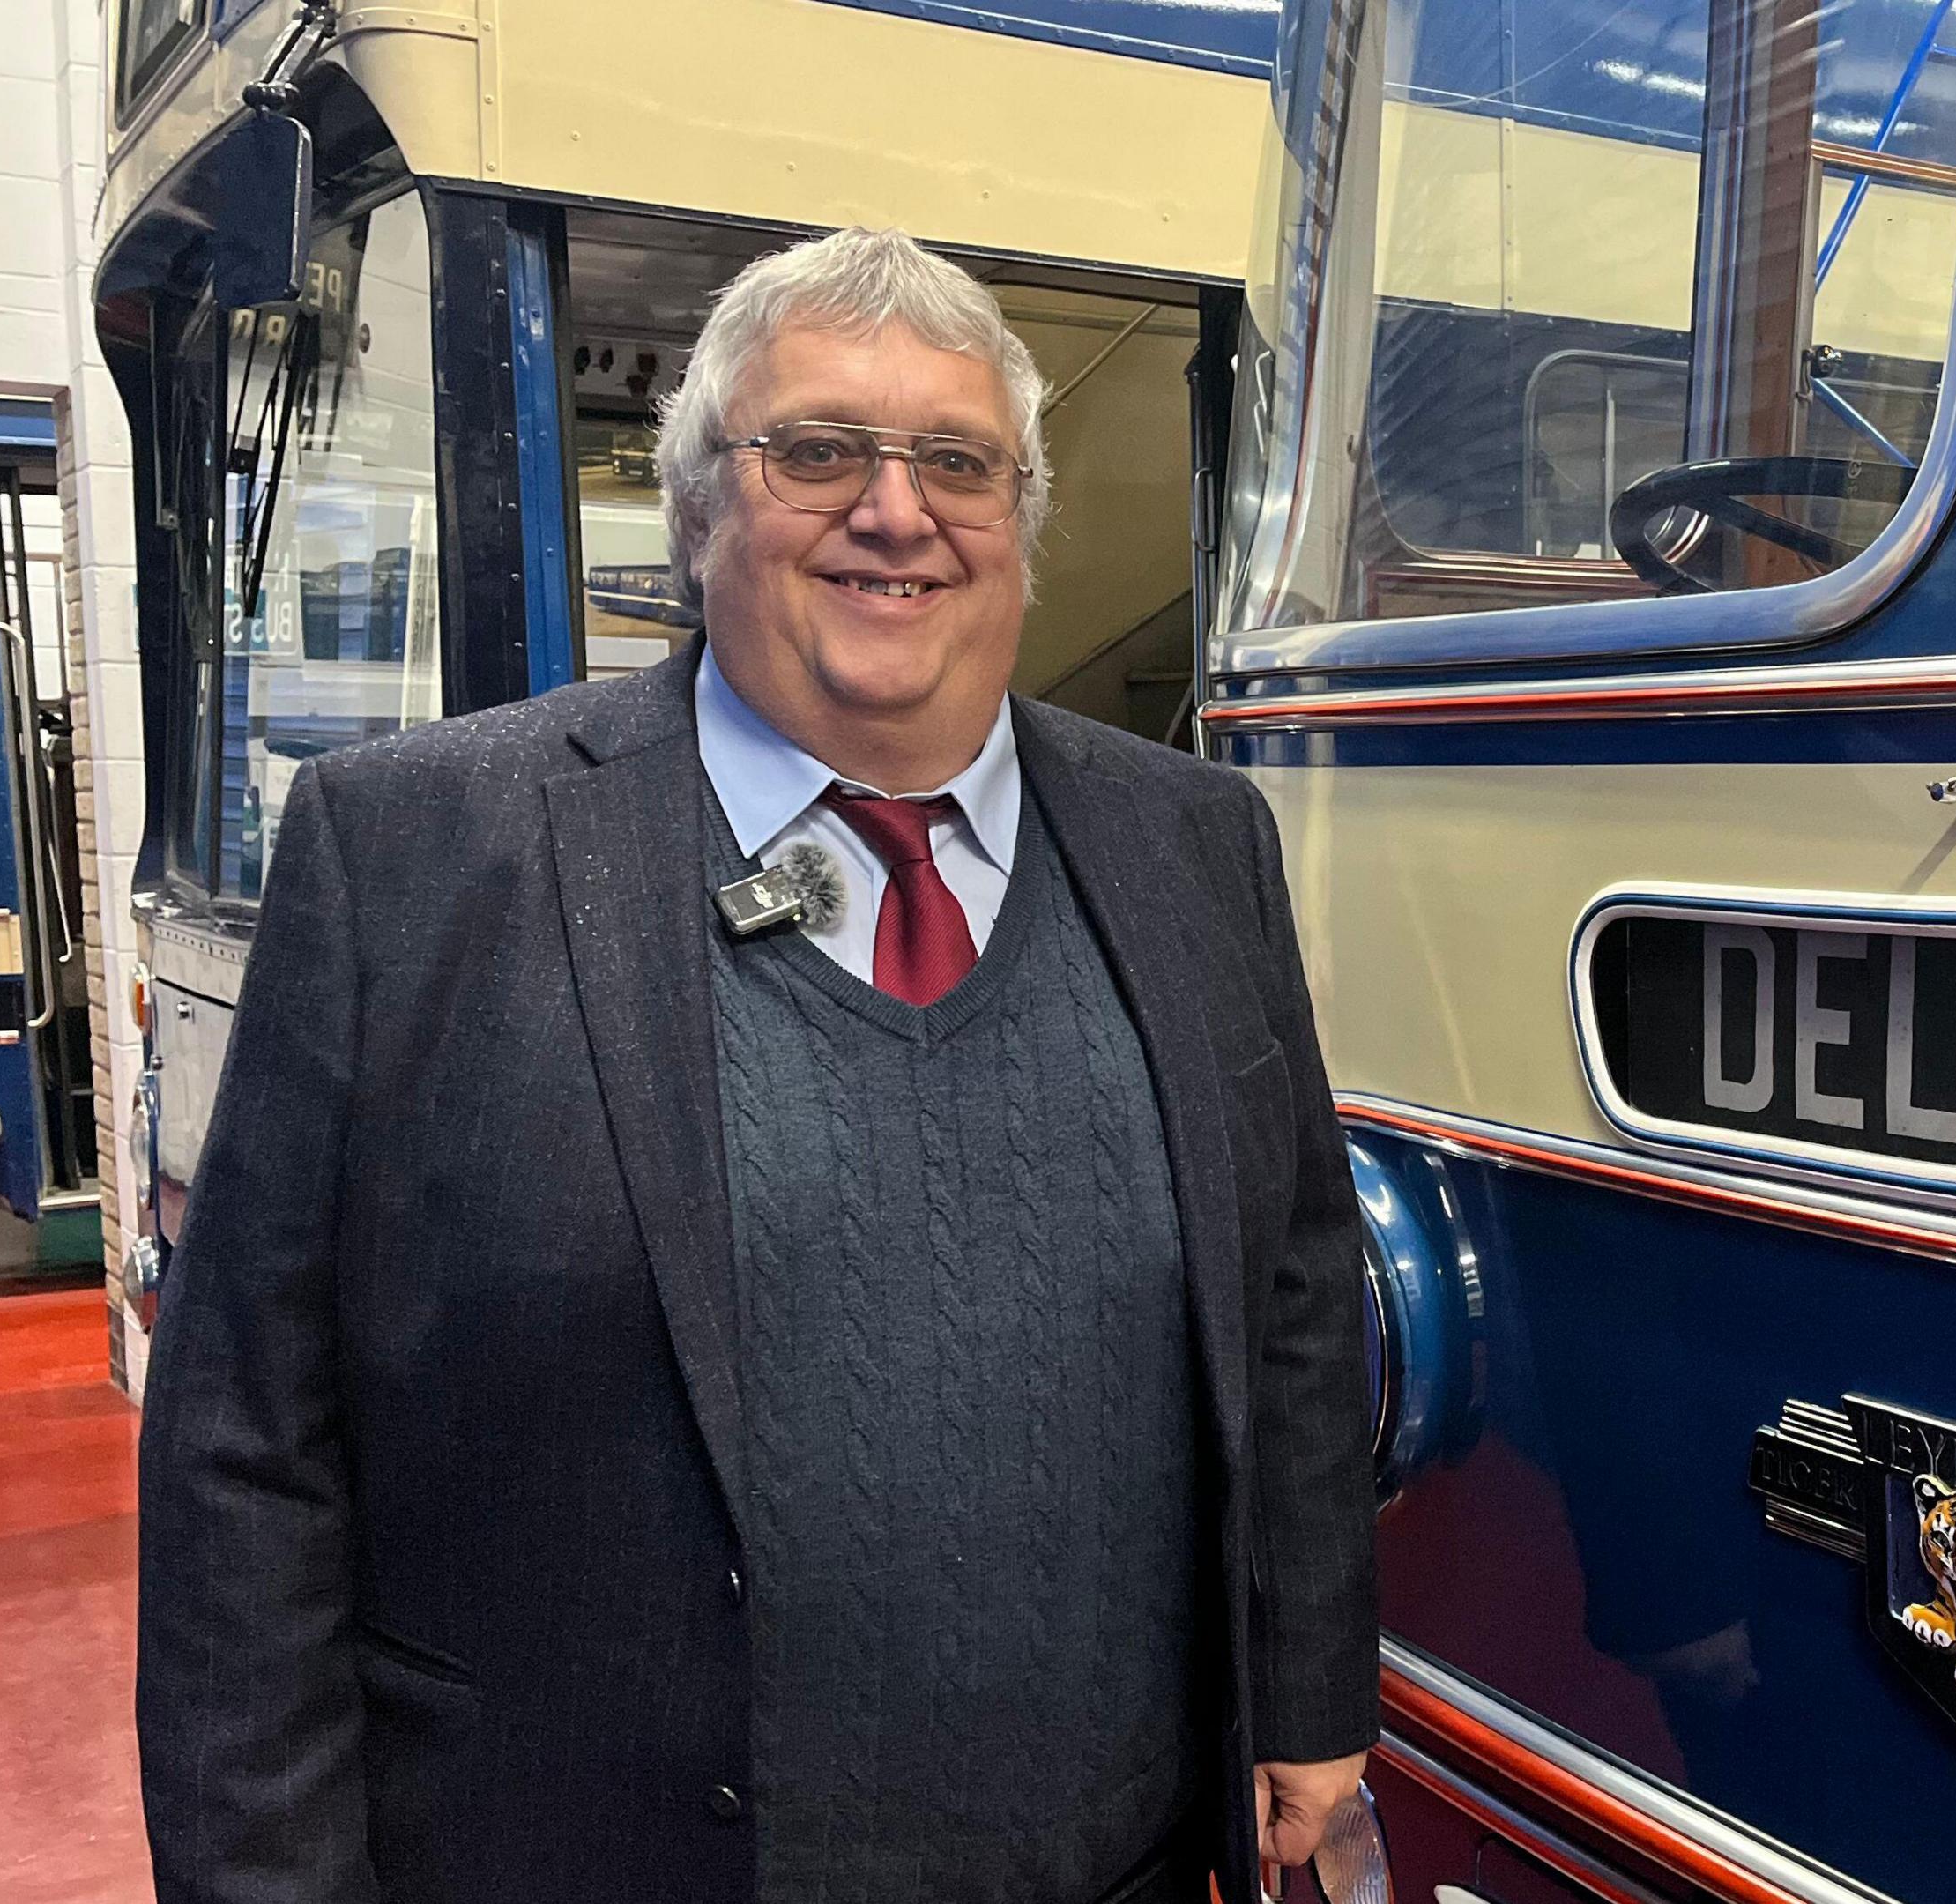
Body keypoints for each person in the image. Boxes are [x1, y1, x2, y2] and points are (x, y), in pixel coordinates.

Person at [135, 227, 1377, 1904]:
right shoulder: (416, 850)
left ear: (1020, 518)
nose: (894, 508)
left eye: (958, 460)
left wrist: (1306, 1696)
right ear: (699, 507)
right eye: (815, 451)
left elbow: (1295, 1292)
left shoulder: (1195, 840)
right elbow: (246, 1449)